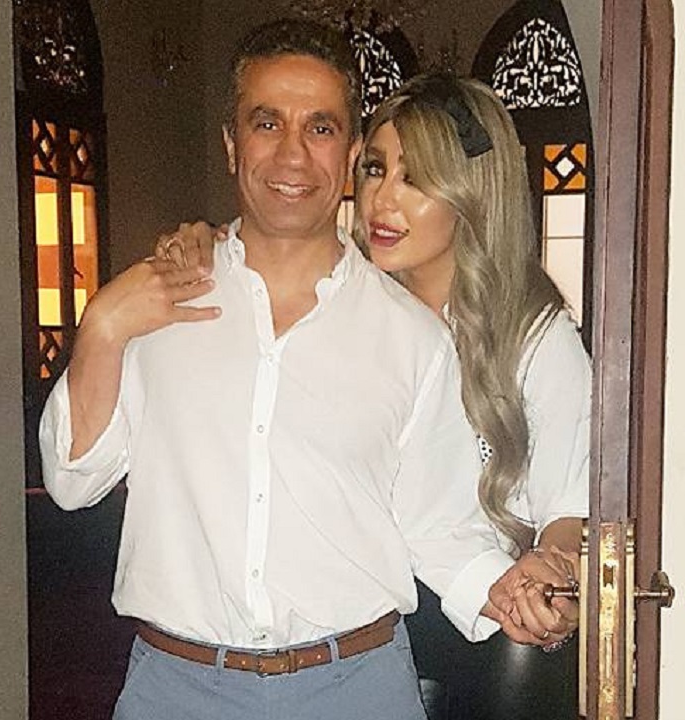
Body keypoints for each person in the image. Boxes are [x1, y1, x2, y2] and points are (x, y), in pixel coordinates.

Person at [40, 19, 567, 720]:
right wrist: (103, 326)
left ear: (349, 153)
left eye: (319, 128)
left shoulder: (413, 337)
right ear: (232, 143)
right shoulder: (156, 303)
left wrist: (509, 594)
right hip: (178, 688)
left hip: (357, 687)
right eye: (267, 123)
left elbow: (437, 524)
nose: (292, 154)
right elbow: (73, 481)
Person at [156, 73, 589, 719]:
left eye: (417, 179)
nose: (383, 201)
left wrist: (549, 574)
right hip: (332, 627)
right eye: (377, 170)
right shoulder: (331, 306)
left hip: (471, 622)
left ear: (472, 192)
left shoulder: (534, 335)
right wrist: (207, 245)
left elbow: (569, 503)